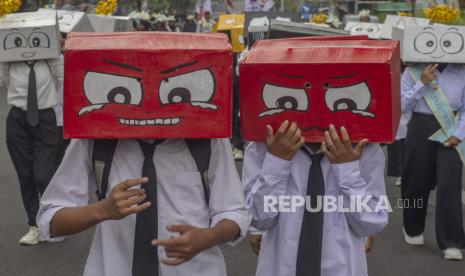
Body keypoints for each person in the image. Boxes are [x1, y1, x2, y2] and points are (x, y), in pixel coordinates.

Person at [37, 32, 249, 276]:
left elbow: (234, 212)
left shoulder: (208, 141)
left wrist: (208, 237)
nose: (149, 102)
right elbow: (51, 220)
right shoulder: (94, 141)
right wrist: (102, 210)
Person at [243, 122, 388, 276]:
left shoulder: (364, 149)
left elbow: (372, 222)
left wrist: (347, 171)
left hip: (342, 268)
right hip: (281, 266)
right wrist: (276, 162)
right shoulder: (263, 146)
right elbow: (258, 219)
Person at [0, 15, 63, 245]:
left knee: (43, 174)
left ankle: (52, 219)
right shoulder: (8, 59)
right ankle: (34, 225)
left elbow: (67, 78)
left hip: (46, 119)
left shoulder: (50, 58)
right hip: (17, 120)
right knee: (25, 176)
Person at [401, 63, 465, 260]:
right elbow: (401, 104)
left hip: (451, 127)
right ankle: (412, 227)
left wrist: (460, 134)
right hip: (420, 125)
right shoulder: (412, 70)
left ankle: (451, 242)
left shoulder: (462, 71)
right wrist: (421, 83)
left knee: (449, 184)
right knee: (415, 180)